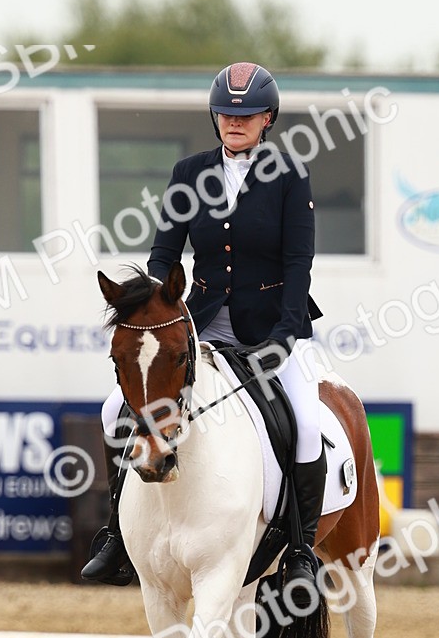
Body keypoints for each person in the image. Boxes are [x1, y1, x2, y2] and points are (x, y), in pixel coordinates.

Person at [82, 61, 325, 594]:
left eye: (247, 115)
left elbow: (296, 265)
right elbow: (164, 253)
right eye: (225, 114)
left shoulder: (289, 175)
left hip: (274, 329)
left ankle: (301, 550)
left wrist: (286, 336)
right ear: (214, 117)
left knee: (306, 423)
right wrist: (146, 310)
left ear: (268, 119)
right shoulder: (189, 174)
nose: (234, 122)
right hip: (204, 326)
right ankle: (117, 537)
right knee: (112, 410)